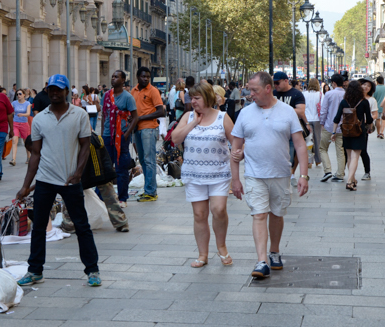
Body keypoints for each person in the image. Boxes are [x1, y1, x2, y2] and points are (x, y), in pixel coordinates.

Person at [16, 74, 101, 287]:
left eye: (58, 89)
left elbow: (85, 146)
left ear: (66, 92)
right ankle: (35, 271)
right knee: (38, 228)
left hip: (70, 180)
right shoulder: (40, 118)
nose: (54, 93)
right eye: (51, 89)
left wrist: (78, 174)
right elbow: (35, 154)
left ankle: (92, 270)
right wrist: (26, 185)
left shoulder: (79, 115)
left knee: (82, 226)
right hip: (45, 179)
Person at [230, 72, 309, 279]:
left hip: (281, 173)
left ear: (268, 89)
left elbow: (300, 144)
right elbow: (235, 148)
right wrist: (235, 179)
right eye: (249, 90)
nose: (250, 94)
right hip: (255, 174)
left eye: (254, 90)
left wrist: (303, 175)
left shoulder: (287, 112)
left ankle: (274, 251)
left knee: (277, 213)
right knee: (259, 214)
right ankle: (262, 260)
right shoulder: (245, 113)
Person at [171, 82, 234, 268]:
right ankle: (203, 254)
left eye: (197, 98)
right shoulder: (188, 116)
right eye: (191, 98)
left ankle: (221, 246)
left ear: (207, 98)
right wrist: (193, 123)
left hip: (219, 173)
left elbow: (236, 142)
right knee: (199, 214)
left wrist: (239, 154)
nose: (193, 101)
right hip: (194, 173)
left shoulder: (223, 117)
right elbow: (175, 139)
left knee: (218, 209)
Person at [102, 70, 139, 207]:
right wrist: (102, 134)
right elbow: (104, 116)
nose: (113, 78)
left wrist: (126, 134)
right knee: (106, 167)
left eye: (116, 77)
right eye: (112, 76)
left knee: (121, 168)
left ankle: (123, 198)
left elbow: (135, 117)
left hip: (121, 137)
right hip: (107, 136)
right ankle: (102, 198)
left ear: (123, 80)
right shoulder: (106, 95)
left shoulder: (128, 97)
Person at [332, 80, 373, 191]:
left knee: (349, 156)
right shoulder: (364, 102)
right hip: (359, 132)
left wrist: (333, 132)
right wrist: (370, 127)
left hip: (346, 131)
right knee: (355, 157)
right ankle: (350, 182)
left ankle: (353, 179)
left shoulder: (344, 102)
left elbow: (336, 118)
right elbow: (369, 118)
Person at [131, 66, 164, 202]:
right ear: (138, 77)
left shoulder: (153, 91)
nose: (145, 79)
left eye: (147, 77)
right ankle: (147, 190)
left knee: (149, 160)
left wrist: (141, 118)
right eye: (143, 76)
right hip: (136, 129)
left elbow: (161, 111)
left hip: (149, 128)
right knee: (143, 160)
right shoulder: (133, 91)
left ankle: (151, 192)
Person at [273, 71, 310, 187]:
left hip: (290, 131)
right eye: (274, 83)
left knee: (290, 155)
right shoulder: (273, 93)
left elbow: (300, 111)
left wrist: (281, 109)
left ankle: (290, 174)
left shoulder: (296, 94)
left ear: (286, 81)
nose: (276, 86)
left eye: (277, 83)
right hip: (274, 131)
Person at [319, 74, 346, 183]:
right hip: (343, 127)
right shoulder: (347, 94)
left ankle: (327, 171)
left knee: (322, 148)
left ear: (333, 83)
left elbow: (324, 110)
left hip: (329, 126)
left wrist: (322, 122)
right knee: (340, 151)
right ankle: (340, 174)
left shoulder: (329, 94)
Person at [358, 77, 378, 181]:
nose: (366, 87)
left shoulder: (371, 100)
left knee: (362, 150)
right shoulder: (355, 97)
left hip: (364, 127)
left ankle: (367, 172)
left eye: (369, 86)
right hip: (353, 126)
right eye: (364, 84)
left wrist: (367, 120)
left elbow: (375, 114)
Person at [302, 78, 322, 168]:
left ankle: (309, 161)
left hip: (306, 119)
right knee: (317, 140)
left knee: (308, 140)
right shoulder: (320, 94)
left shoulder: (304, 94)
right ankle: (318, 160)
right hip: (317, 119)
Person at [10, 89, 31, 166]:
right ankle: (13, 159)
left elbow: (28, 113)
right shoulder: (14, 103)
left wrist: (22, 114)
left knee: (26, 142)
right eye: (17, 94)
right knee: (14, 140)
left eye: (20, 94)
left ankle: (28, 157)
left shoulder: (27, 103)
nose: (18, 95)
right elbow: (9, 109)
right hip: (15, 123)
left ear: (24, 95)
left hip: (24, 124)